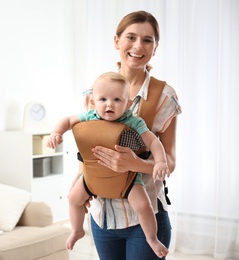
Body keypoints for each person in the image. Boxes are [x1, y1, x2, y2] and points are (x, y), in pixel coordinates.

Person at [82, 11, 181, 260]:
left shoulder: (164, 96)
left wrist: (135, 164)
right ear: (117, 41)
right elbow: (88, 149)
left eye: (147, 40)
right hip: (102, 215)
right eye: (131, 37)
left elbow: (169, 161)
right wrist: (84, 186)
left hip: (143, 217)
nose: (138, 46)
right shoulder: (95, 92)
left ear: (155, 48)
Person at [47, 72, 169, 257]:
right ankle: (77, 230)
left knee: (143, 206)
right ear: (93, 101)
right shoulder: (90, 116)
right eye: (102, 99)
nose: (109, 104)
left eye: (117, 100)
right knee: (73, 198)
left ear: (128, 104)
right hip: (93, 178)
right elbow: (68, 120)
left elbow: (153, 142)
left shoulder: (133, 121)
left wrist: (160, 161)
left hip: (127, 179)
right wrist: (56, 133)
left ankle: (151, 238)